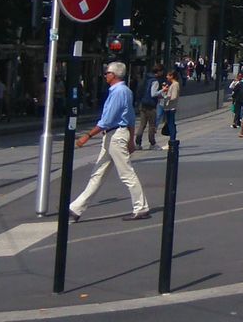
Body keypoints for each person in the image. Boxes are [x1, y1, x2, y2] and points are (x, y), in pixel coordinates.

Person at [69, 61, 150, 221]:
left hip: (115, 135)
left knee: (126, 173)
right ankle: (76, 208)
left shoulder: (118, 92)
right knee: (98, 172)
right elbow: (131, 117)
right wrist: (131, 138)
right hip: (116, 135)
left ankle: (141, 207)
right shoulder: (125, 91)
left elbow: (107, 120)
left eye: (107, 73)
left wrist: (87, 136)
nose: (105, 75)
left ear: (113, 75)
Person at [135, 67, 163, 150]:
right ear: (158, 72)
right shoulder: (155, 81)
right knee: (152, 125)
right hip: (151, 105)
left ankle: (138, 143)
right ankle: (152, 143)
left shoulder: (145, 78)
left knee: (142, 125)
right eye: (161, 71)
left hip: (142, 104)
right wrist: (162, 90)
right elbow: (153, 94)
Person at [161, 68, 181, 147]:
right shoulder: (172, 84)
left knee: (171, 124)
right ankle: (171, 140)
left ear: (172, 76)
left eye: (168, 75)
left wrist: (166, 97)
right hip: (169, 107)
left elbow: (174, 96)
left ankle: (172, 141)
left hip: (171, 107)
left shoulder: (175, 84)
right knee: (170, 123)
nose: (166, 77)